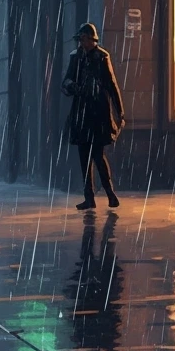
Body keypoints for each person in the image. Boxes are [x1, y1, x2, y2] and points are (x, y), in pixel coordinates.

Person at [61, 22, 125, 211]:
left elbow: (112, 85)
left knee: (98, 155)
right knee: (84, 157)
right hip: (81, 112)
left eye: (84, 39)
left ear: (91, 39)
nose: (81, 43)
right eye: (80, 39)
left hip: (98, 112)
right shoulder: (76, 57)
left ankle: (110, 193)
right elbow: (66, 80)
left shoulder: (102, 57)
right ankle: (89, 197)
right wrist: (73, 86)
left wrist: (119, 110)